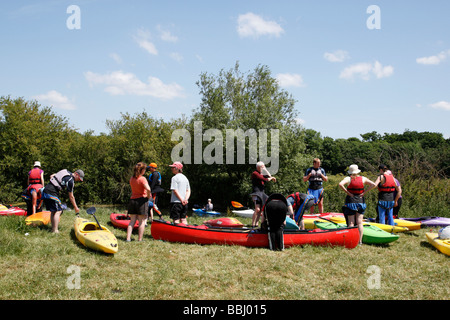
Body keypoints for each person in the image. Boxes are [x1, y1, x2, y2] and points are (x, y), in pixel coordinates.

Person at [338, 164, 376, 244]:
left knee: (351, 222)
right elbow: (374, 184)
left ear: (350, 172)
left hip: (351, 202)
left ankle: (350, 240)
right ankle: (360, 241)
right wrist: (364, 192)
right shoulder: (363, 179)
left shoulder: (348, 178)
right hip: (360, 201)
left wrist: (347, 192)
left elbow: (340, 184)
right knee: (359, 222)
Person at [41, 169, 84, 233]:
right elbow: (71, 196)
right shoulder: (70, 181)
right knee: (59, 211)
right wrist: (76, 207)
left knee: (54, 211)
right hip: (52, 192)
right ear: (76, 174)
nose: (79, 180)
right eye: (79, 179)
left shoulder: (65, 171)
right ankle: (55, 230)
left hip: (46, 190)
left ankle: (53, 229)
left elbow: (52, 176)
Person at [126, 162, 151, 242]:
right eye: (144, 169)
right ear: (142, 170)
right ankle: (140, 239)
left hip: (133, 200)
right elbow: (148, 189)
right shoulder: (142, 179)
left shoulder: (131, 179)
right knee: (142, 221)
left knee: (132, 221)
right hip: (141, 201)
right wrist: (148, 196)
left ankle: (128, 238)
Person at [250, 161, 276, 228]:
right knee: (257, 209)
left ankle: (256, 224)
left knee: (260, 209)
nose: (263, 168)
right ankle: (252, 224)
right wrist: (271, 178)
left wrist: (265, 170)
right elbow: (265, 179)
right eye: (262, 167)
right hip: (256, 192)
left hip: (262, 192)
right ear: (258, 167)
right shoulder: (255, 173)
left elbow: (269, 175)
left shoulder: (262, 172)